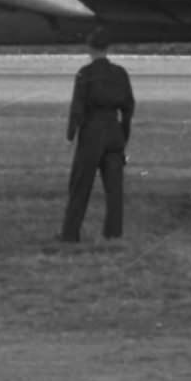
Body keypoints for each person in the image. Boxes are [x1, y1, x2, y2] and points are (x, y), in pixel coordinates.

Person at [61, 30, 136, 243]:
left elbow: (77, 108)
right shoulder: (120, 73)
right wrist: (123, 135)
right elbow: (129, 107)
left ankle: (70, 233)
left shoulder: (85, 73)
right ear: (107, 48)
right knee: (114, 188)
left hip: (92, 131)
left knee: (80, 184)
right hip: (114, 130)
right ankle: (113, 233)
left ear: (90, 48)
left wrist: (70, 135)